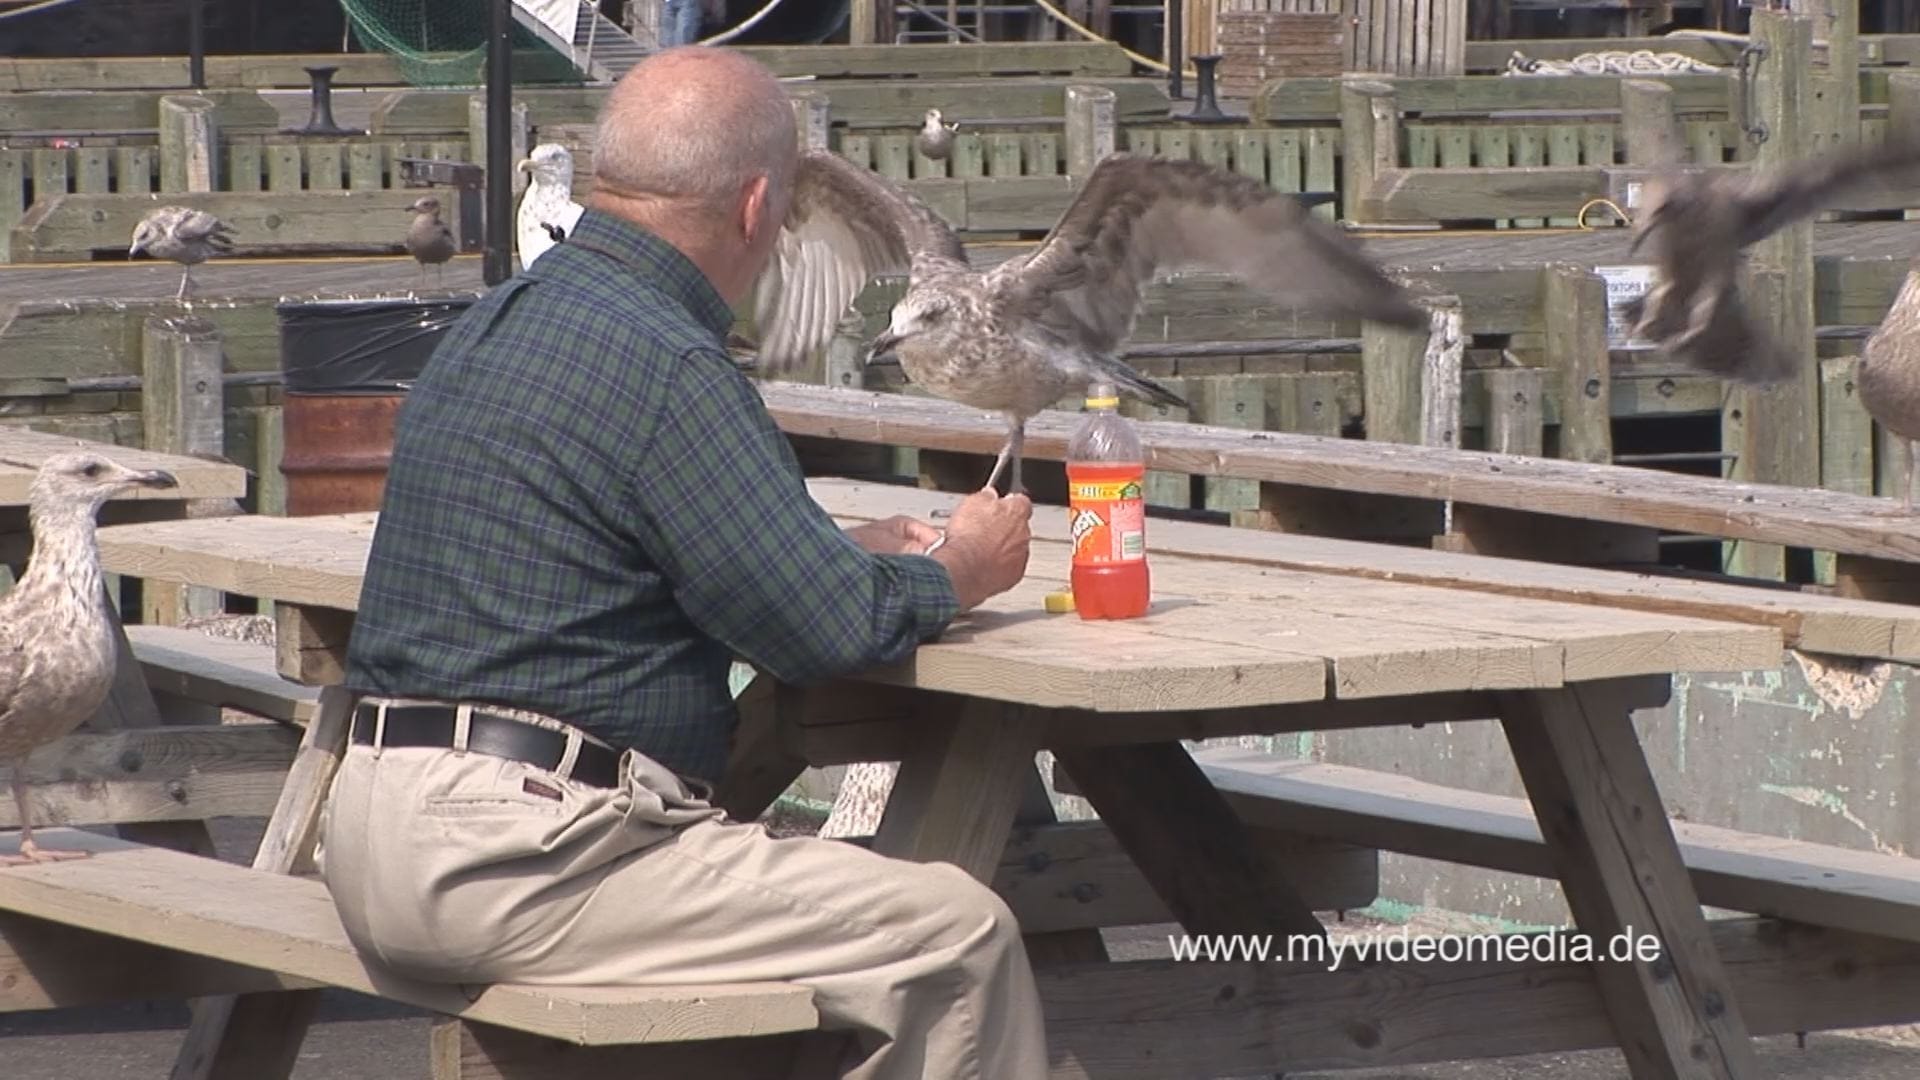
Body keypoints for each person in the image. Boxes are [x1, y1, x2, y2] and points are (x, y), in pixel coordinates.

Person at [313, 46, 1047, 1080]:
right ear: (758, 208)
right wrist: (963, 566)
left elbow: (641, 546)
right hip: (520, 858)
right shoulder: (670, 362)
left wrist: (828, 555)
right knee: (954, 937)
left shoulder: (504, 322)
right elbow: (827, 632)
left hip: (372, 829)